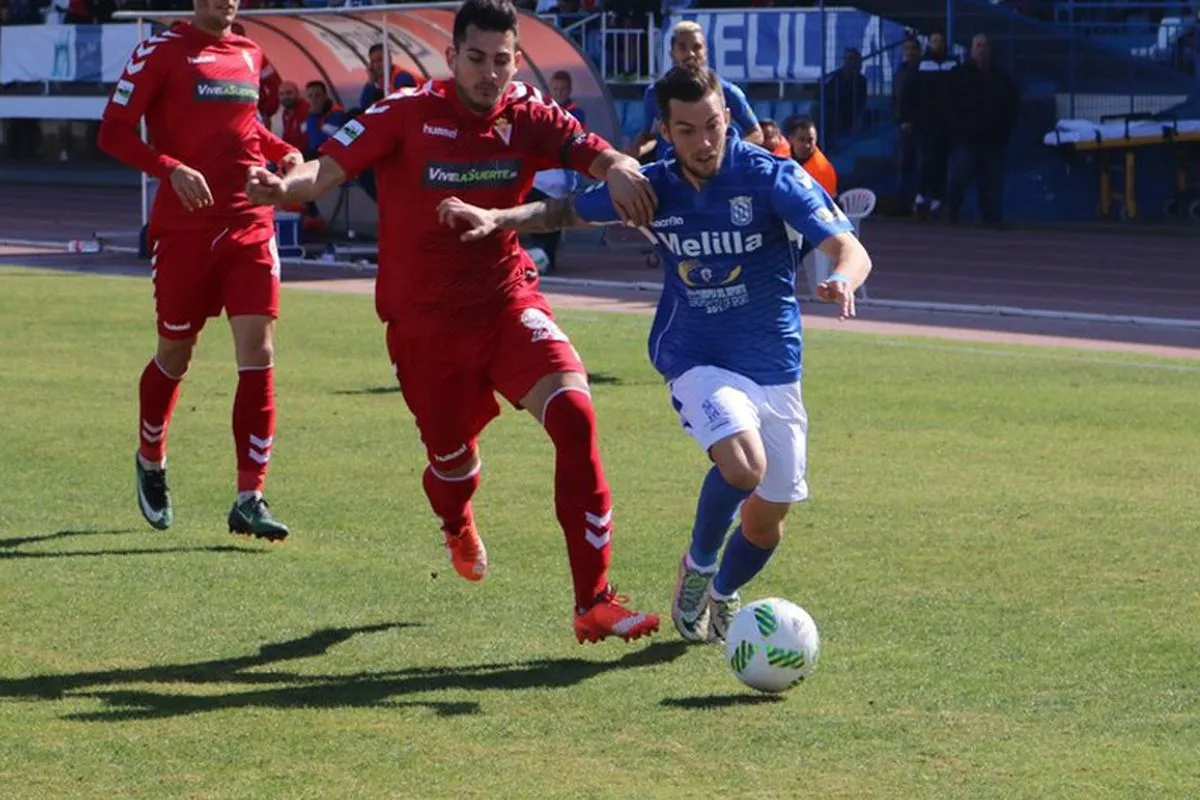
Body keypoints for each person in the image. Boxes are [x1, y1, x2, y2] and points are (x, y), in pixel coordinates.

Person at [245, 0, 661, 644]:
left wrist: (623, 168)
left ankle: (594, 601)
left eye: (502, 60)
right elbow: (323, 170)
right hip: (425, 329)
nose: (490, 73)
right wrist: (283, 187)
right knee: (452, 464)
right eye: (476, 59)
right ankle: (457, 521)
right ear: (451, 57)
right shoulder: (404, 113)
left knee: (576, 415)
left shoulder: (528, 113)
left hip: (507, 303)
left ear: (517, 60)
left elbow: (595, 154)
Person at [436, 64, 873, 643]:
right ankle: (698, 567)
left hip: (775, 365)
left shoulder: (771, 178)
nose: (705, 141)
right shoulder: (653, 188)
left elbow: (849, 246)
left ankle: (721, 594)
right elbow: (564, 212)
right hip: (696, 358)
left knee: (767, 524)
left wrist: (842, 277)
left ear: (727, 120)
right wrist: (498, 217)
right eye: (688, 130)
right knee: (743, 467)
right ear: (666, 131)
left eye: (714, 125)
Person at [97, 0, 302, 540]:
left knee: (258, 351)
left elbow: (247, 128)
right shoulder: (160, 51)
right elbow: (113, 132)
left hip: (249, 223)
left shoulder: (252, 53)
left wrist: (284, 152)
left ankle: (249, 496)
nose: (225, 1)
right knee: (175, 352)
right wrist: (170, 168)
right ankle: (150, 457)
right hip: (185, 232)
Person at [625, 20, 761, 161]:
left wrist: (726, 153)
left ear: (705, 52)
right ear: (672, 52)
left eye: (697, 47)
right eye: (682, 48)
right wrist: (633, 153)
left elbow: (756, 134)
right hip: (670, 175)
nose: (690, 54)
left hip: (713, 174)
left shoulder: (726, 91)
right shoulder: (655, 92)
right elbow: (649, 136)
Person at [944, 34, 1019, 227]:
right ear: (971, 49)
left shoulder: (1001, 77)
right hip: (966, 139)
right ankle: (951, 213)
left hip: (994, 140)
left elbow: (1011, 105)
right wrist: (957, 129)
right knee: (958, 179)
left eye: (985, 46)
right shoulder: (959, 75)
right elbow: (949, 105)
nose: (982, 49)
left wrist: (1005, 131)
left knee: (992, 183)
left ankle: (992, 218)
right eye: (978, 45)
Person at [783, 115, 837, 198]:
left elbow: (826, 205)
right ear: (791, 139)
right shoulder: (781, 156)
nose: (807, 145)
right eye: (802, 139)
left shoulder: (823, 169)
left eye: (810, 140)